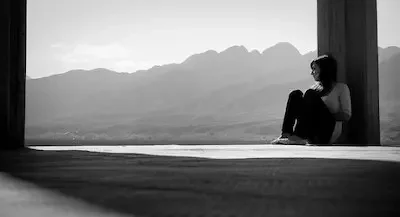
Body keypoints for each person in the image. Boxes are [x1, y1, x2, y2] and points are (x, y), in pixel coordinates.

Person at [271, 54, 352, 145]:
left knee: (310, 93)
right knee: (296, 94)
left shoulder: (341, 88)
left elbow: (346, 115)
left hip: (327, 131)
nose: (312, 72)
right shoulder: (314, 88)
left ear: (324, 70)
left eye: (314, 69)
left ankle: (298, 136)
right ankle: (286, 134)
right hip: (311, 132)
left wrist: (320, 113)